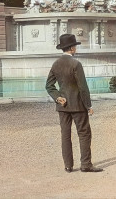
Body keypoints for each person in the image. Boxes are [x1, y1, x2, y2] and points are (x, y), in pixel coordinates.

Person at [46, 34, 103, 173]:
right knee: (84, 133)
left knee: (65, 135)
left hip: (62, 107)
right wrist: (88, 105)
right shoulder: (76, 64)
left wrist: (58, 97)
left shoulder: (56, 64)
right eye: (75, 46)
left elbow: (49, 86)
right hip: (78, 105)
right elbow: (83, 87)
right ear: (71, 48)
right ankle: (86, 165)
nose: (75, 48)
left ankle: (68, 166)